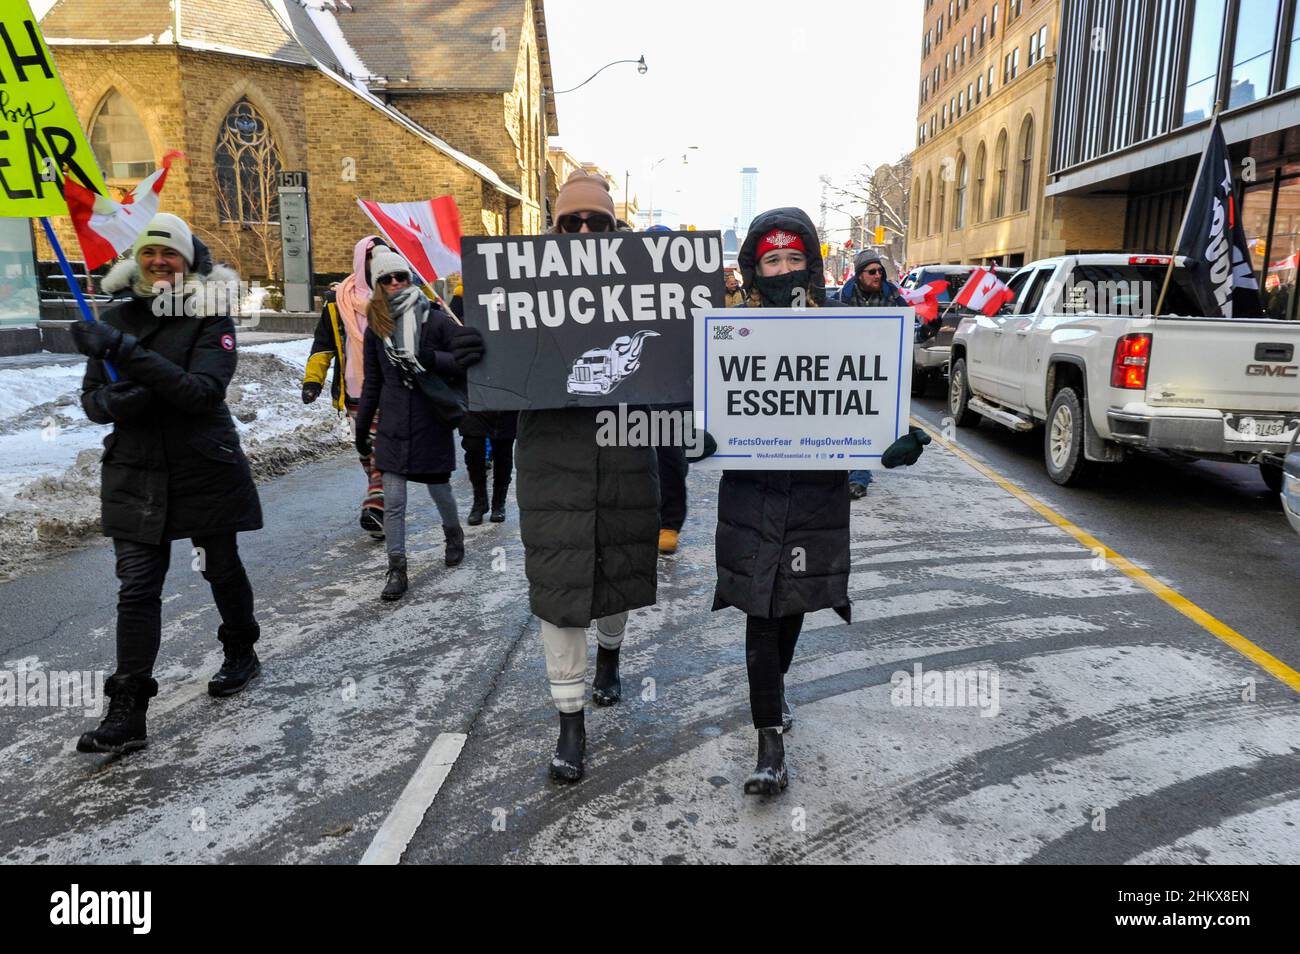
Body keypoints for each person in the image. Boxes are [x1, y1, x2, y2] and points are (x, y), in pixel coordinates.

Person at [448, 170, 659, 783]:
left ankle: (611, 659)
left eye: (598, 221)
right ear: (556, 228)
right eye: (573, 222)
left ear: (614, 229)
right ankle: (569, 722)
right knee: (561, 590)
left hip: (626, 454)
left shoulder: (647, 285)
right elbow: (486, 406)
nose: (586, 231)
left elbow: (677, 383)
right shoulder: (519, 291)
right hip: (551, 464)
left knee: (619, 570)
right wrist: (473, 360)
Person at [712, 208, 930, 796]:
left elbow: (865, 394)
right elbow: (701, 411)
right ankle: (769, 741)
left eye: (793, 259)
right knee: (760, 608)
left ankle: (773, 692)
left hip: (815, 494)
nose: (783, 269)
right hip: (752, 495)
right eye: (770, 261)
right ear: (754, 270)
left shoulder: (842, 325)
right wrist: (700, 436)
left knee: (793, 607)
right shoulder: (729, 328)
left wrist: (890, 443)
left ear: (810, 265)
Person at [69, 213, 264, 755]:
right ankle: (127, 708)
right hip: (136, 470)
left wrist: (125, 354)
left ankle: (241, 651)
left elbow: (202, 392)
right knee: (136, 588)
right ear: (137, 260)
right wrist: (113, 401)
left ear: (188, 263)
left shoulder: (209, 315)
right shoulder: (115, 317)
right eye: (150, 254)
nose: (159, 263)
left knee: (219, 567)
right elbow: (91, 401)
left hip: (202, 465)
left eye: (170, 254)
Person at [353, 250, 468, 601]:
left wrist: (431, 358)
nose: (394, 283)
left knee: (440, 489)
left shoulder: (436, 320)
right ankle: (397, 568)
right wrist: (362, 427)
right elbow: (372, 381)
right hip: (392, 426)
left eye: (400, 276)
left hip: (429, 421)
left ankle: (453, 534)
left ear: (411, 278)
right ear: (378, 286)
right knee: (395, 500)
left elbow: (464, 361)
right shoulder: (377, 327)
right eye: (386, 280)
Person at [302, 235, 389, 537]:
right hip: (353, 390)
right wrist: (313, 380)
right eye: (372, 259)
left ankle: (376, 504)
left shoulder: (395, 295)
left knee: (382, 450)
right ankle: (380, 505)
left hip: (388, 390)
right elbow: (323, 345)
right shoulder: (336, 302)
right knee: (366, 450)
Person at [838, 251, 907, 500]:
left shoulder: (894, 297)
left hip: (880, 370)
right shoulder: (842, 299)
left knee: (865, 423)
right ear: (859, 275)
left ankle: (859, 478)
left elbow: (909, 325)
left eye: (881, 271)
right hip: (847, 369)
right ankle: (842, 470)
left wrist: (926, 326)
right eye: (872, 271)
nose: (878, 275)